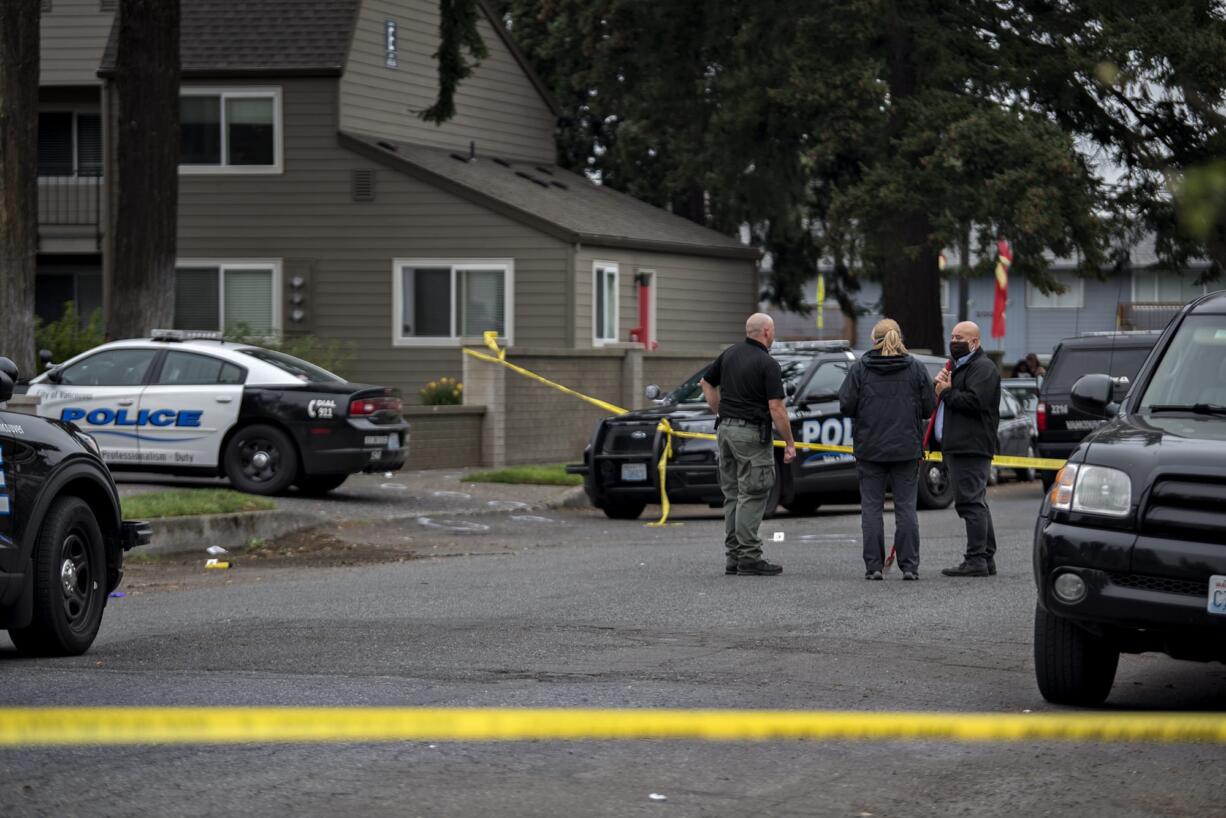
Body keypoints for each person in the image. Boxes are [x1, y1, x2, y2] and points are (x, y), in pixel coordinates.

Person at [700, 313, 797, 576]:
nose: (773, 334)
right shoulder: (768, 364)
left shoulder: (730, 354)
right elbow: (776, 407)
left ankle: (733, 556)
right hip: (751, 435)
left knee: (732, 495)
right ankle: (750, 557)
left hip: (726, 432)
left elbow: (706, 383)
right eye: (773, 330)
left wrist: (720, 412)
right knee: (753, 494)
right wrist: (789, 442)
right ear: (766, 331)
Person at [838, 319, 935, 581]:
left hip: (870, 449)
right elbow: (928, 407)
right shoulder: (915, 367)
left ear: (874, 340)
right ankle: (910, 566)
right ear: (900, 338)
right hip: (906, 449)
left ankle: (874, 566)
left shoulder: (860, 368)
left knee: (871, 508)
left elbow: (846, 405)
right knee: (905, 509)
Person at [930, 321, 1002, 577]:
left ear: (975, 342)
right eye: (952, 336)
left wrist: (947, 392)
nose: (954, 341)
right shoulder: (958, 367)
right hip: (957, 445)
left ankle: (976, 560)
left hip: (970, 446)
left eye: (960, 337)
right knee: (975, 501)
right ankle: (985, 556)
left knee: (970, 502)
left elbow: (975, 402)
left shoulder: (983, 368)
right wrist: (939, 387)